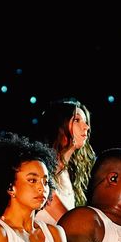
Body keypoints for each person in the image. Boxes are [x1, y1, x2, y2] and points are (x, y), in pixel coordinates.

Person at [33, 97, 96, 228]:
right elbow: (69, 223)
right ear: (59, 126)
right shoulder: (43, 169)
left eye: (85, 121)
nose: (86, 127)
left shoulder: (70, 172)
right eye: (77, 120)